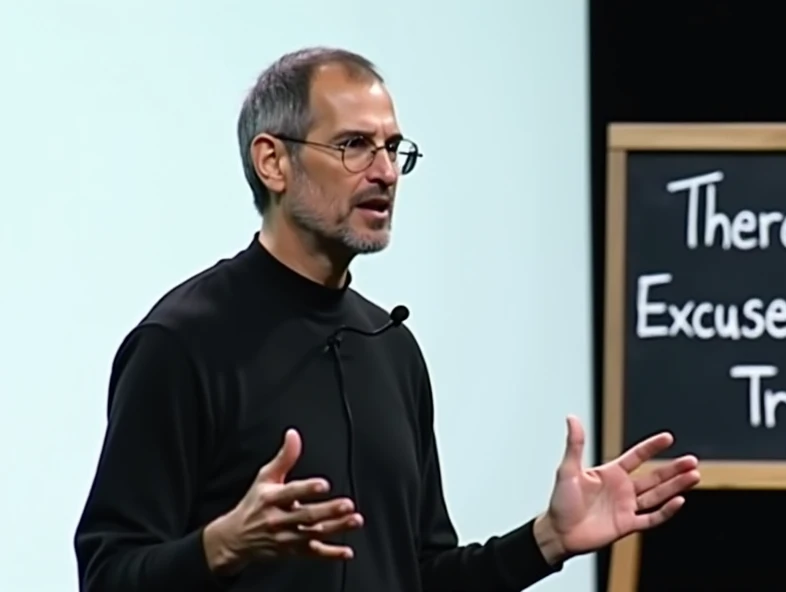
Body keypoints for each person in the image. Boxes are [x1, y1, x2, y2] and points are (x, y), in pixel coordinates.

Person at [73, 46, 701, 592]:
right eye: (353, 146)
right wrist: (220, 546)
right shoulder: (182, 342)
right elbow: (108, 573)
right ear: (273, 162)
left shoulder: (392, 349)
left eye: (393, 148)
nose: (385, 171)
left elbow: (421, 575)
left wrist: (546, 541)